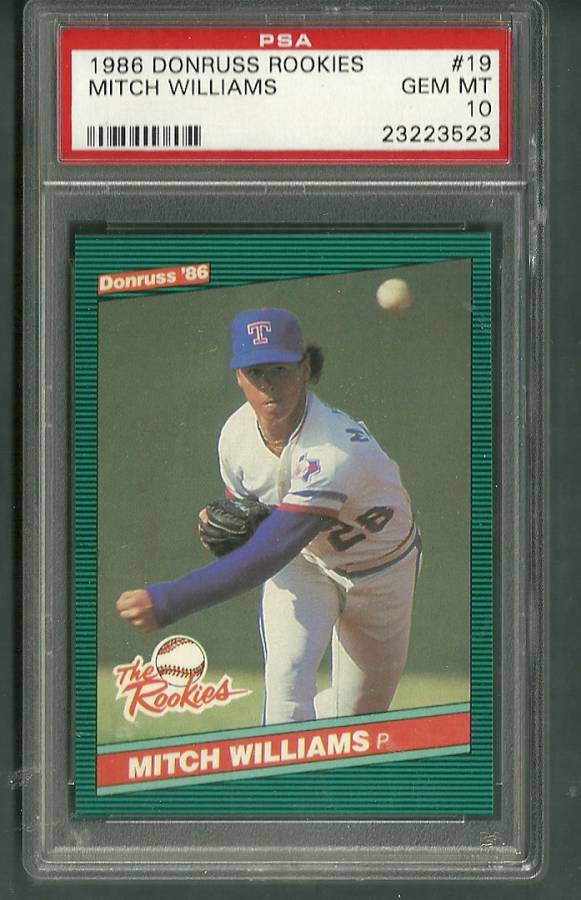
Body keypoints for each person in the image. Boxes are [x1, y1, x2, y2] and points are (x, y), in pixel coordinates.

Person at [117, 307, 422, 724]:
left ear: (305, 369)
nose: (268, 384)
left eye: (279, 368)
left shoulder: (333, 450)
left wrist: (170, 600)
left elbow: (263, 556)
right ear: (238, 377)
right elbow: (253, 521)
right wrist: (228, 524)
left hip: (381, 572)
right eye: (255, 372)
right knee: (286, 686)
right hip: (304, 564)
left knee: (356, 719)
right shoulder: (235, 436)